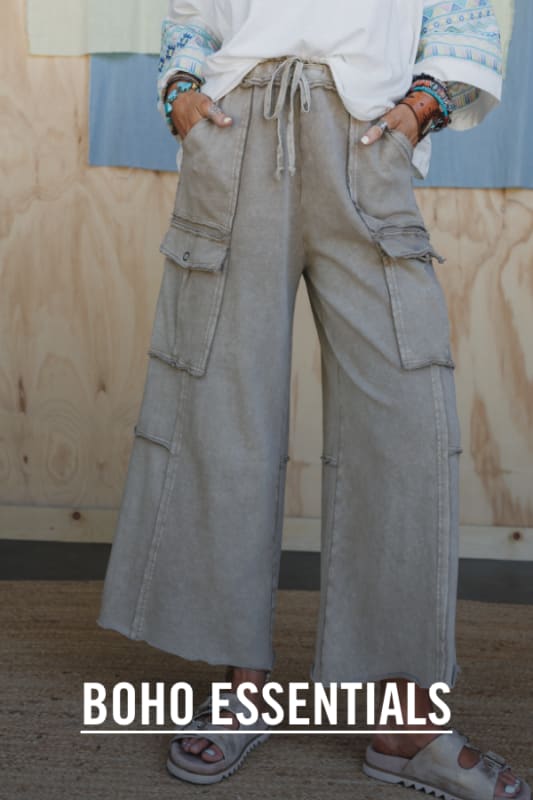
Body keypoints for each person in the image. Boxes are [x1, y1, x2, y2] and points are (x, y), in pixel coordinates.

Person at [98, 1, 531, 797]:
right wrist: (183, 95)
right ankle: (242, 686)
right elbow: (190, 12)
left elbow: (464, 12)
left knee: (405, 425)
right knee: (223, 415)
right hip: (235, 127)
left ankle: (405, 723)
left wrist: (419, 108)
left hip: (366, 132)